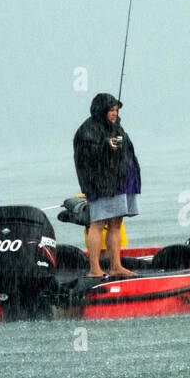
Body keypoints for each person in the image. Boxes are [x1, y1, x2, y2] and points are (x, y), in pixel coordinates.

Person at [73, 92, 140, 277]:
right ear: (101, 110)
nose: (114, 113)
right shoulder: (88, 129)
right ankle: (94, 269)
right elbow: (86, 156)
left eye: (116, 110)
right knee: (97, 223)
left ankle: (115, 267)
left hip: (119, 181)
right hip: (101, 184)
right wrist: (105, 145)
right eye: (111, 110)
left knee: (116, 223)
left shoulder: (115, 126)